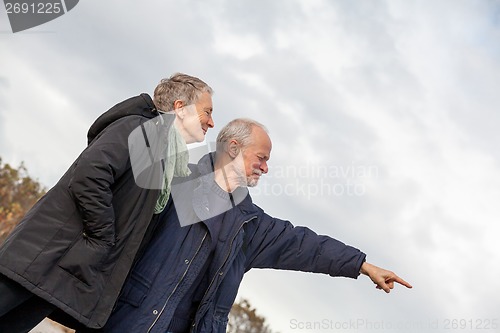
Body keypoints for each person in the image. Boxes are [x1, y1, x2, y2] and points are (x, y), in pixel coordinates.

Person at [99, 118, 412, 333]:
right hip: (125, 321)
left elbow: (303, 245)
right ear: (233, 148)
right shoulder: (175, 181)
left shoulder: (251, 226)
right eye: (261, 157)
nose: (266, 167)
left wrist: (361, 265)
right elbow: (112, 207)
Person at [0, 73, 215, 332]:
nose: (212, 122)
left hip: (62, 273)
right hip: (40, 259)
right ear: (181, 108)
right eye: (207, 112)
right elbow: (90, 175)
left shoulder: (165, 158)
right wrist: (103, 238)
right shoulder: (138, 129)